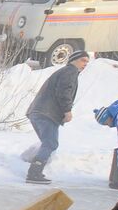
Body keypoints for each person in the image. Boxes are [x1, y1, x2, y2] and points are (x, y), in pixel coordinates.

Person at [25, 49, 90, 184]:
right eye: (83, 60)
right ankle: (34, 173)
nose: (85, 64)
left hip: (37, 112)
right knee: (50, 143)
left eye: (87, 62)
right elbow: (63, 91)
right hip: (46, 113)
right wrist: (67, 110)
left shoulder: (65, 72)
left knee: (47, 143)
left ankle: (34, 166)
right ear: (73, 60)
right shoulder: (70, 72)